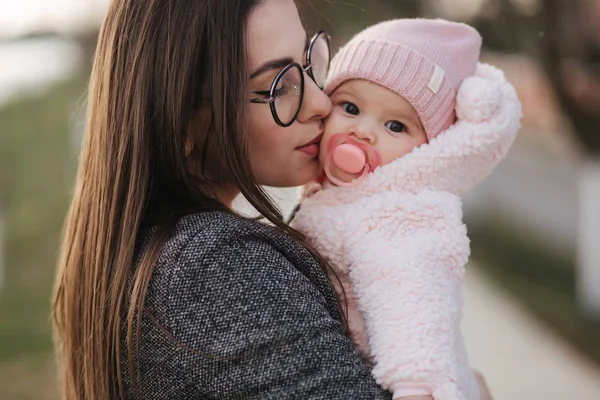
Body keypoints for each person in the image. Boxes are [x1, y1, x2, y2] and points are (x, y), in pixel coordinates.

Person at [51, 0, 493, 398]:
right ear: (183, 118)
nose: (321, 102)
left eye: (310, 61)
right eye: (280, 86)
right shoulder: (213, 270)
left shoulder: (158, 252)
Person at [292, 19, 521, 400]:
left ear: (428, 151)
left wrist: (418, 385)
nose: (363, 131)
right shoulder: (340, 194)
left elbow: (416, 305)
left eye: (396, 126)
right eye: (350, 106)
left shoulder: (400, 216)